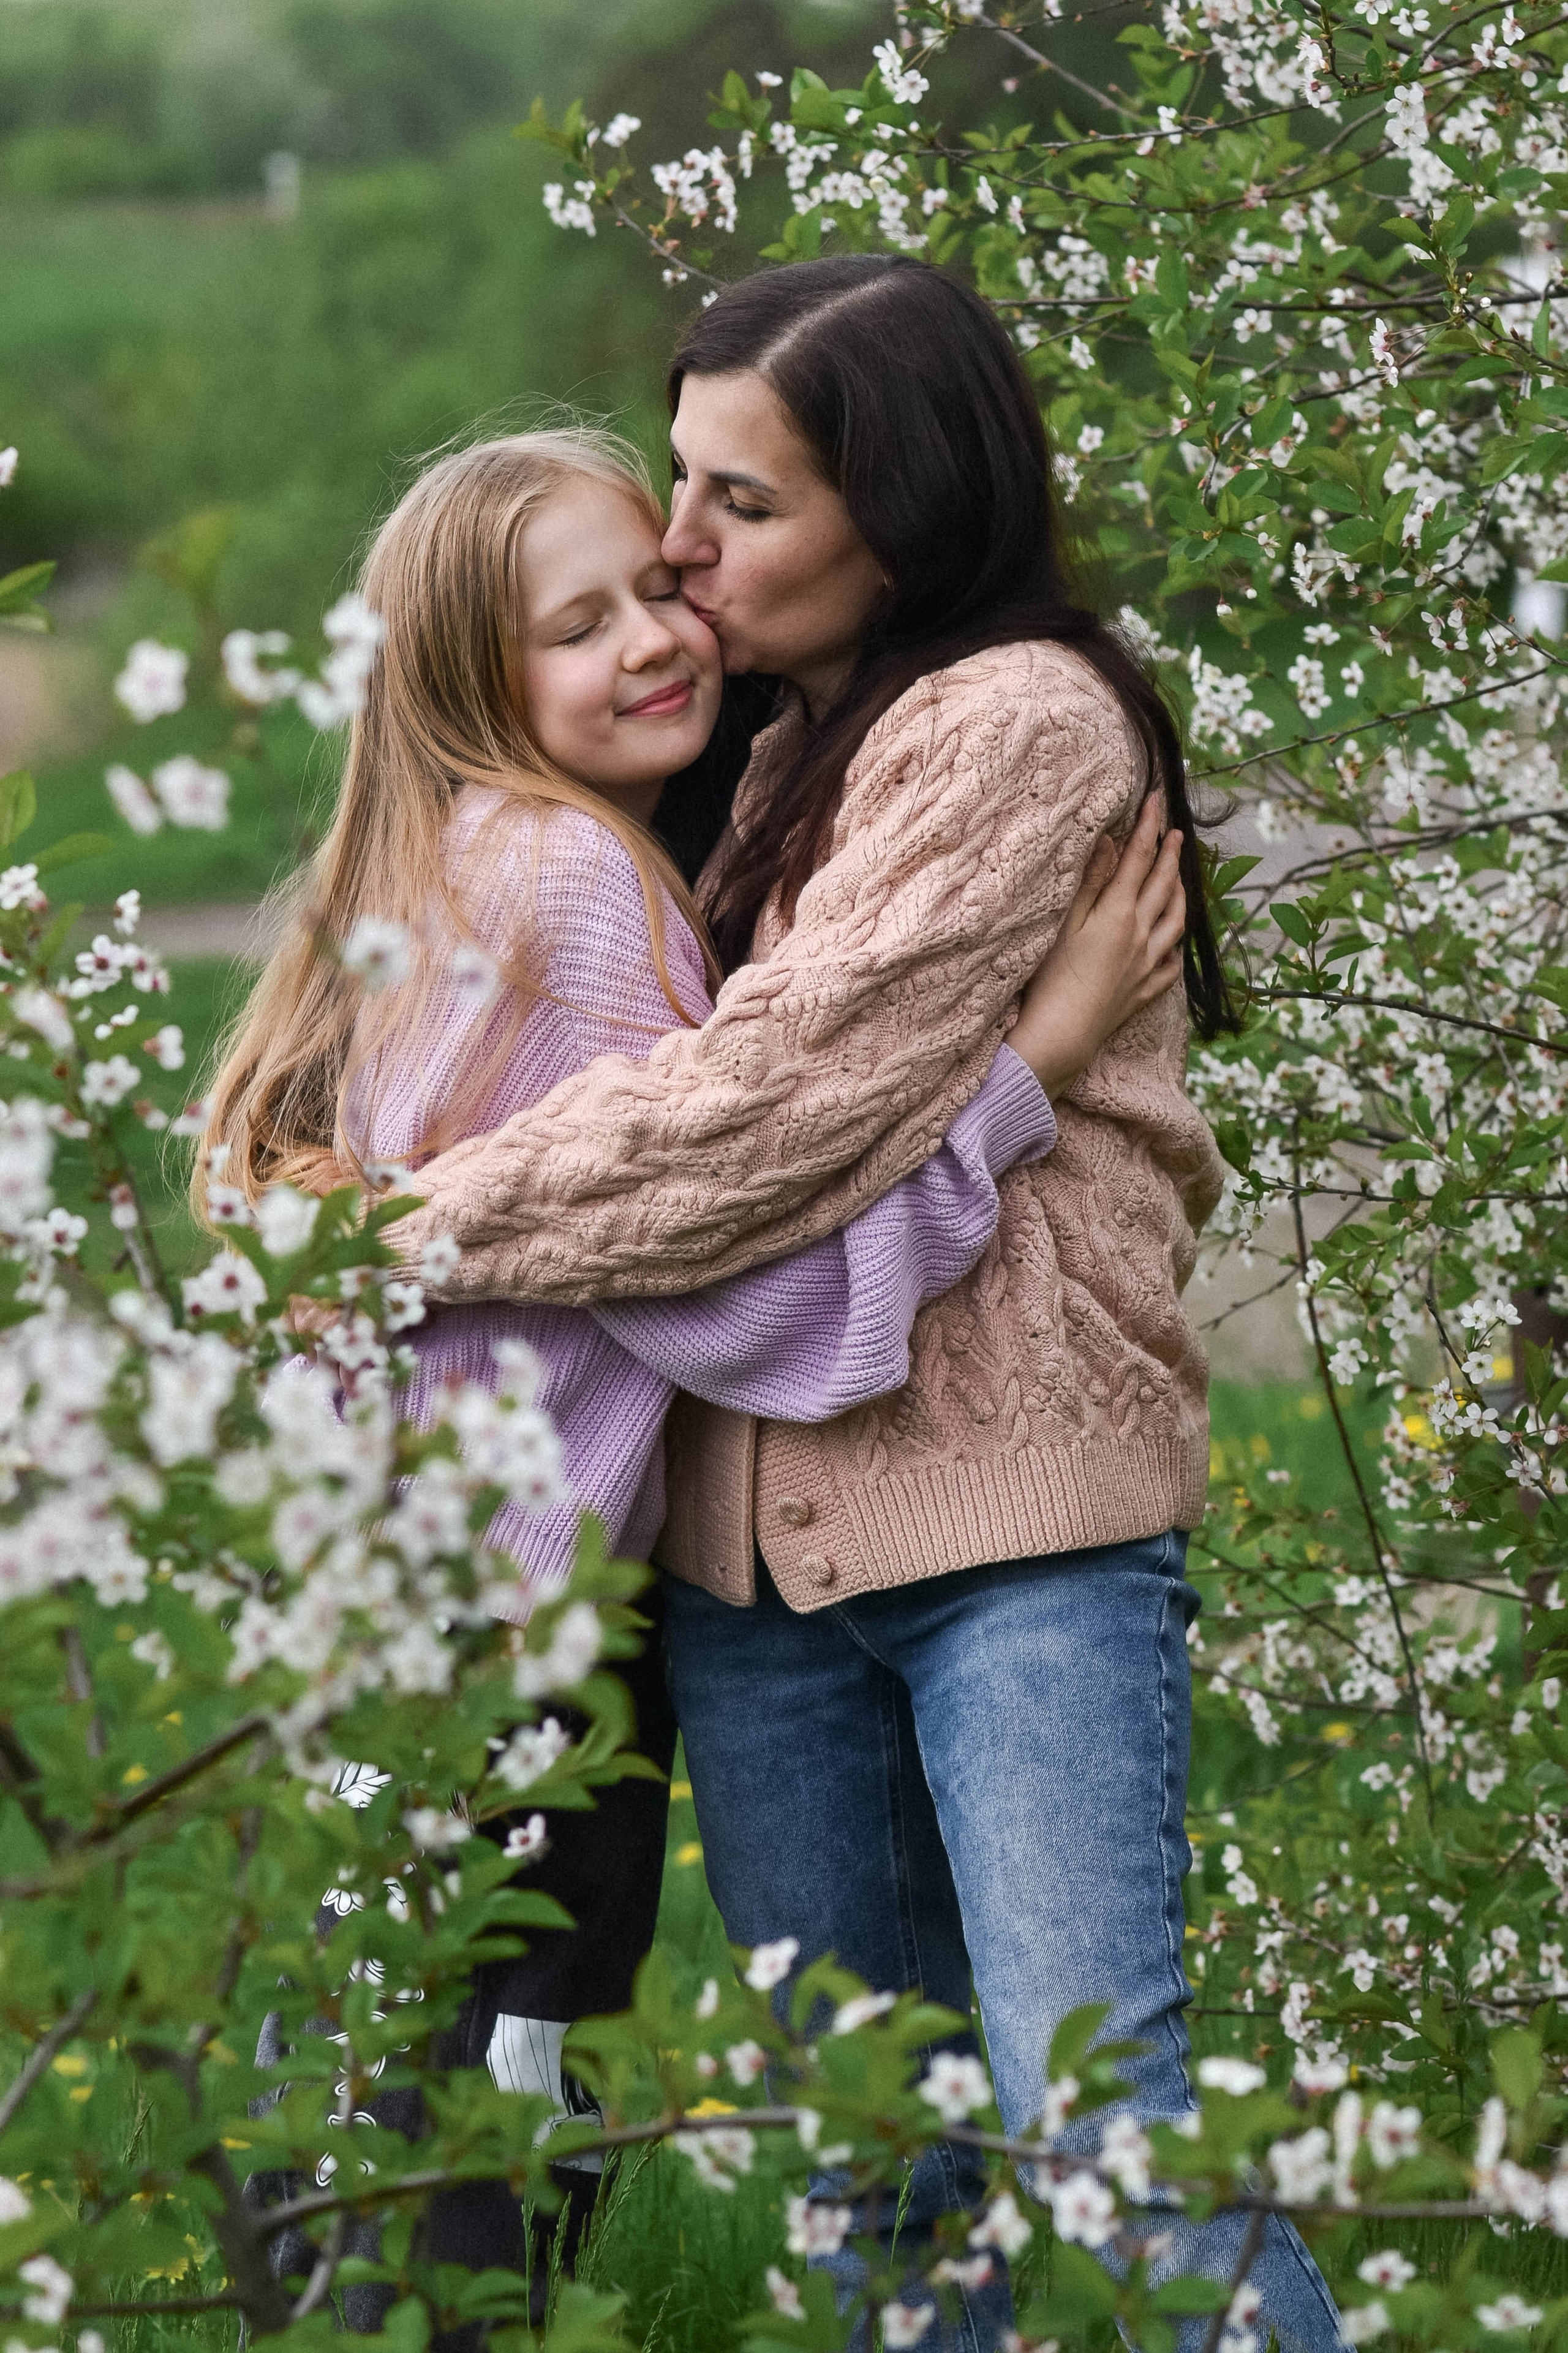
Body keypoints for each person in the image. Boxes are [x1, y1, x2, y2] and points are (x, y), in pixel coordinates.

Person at [370, 260, 1348, 2353]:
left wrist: (400, 1228)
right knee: (874, 2159)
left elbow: (755, 1119)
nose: (686, 560)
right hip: (761, 1571)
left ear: (896, 508)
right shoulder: (771, 752)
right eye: (677, 501)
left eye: (742, 505)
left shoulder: (1010, 720)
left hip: (1010, 1530)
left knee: (1110, 2135)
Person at [200, 423, 1188, 2328]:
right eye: (578, 628)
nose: (658, 634)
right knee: (480, 2126)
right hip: (510, 1623)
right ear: (479, 687)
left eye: (655, 585)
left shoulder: (448, 865)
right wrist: (1028, 1073)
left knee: (362, 2090)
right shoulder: (581, 888)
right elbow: (753, 1291)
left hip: (372, 1604)